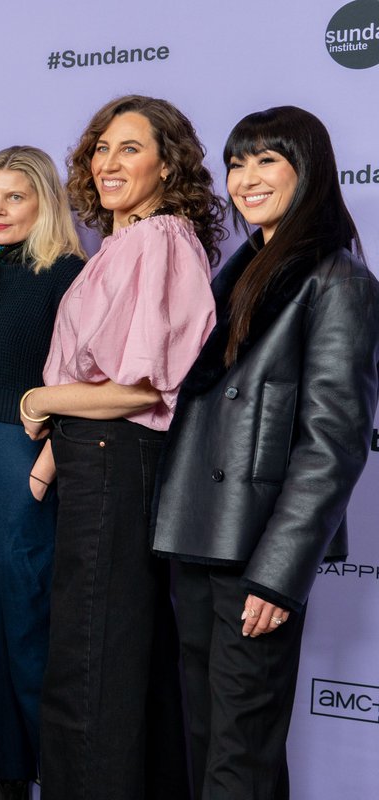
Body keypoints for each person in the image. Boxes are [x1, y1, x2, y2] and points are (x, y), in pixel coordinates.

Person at [153, 106, 379, 800]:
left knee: (238, 752)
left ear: (306, 169)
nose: (245, 179)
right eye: (237, 162)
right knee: (212, 744)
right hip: (197, 536)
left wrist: (279, 576)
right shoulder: (240, 273)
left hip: (254, 553)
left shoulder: (337, 281)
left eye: (266, 160)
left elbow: (333, 443)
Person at [19, 95, 225, 800]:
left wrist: (39, 403)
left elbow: (140, 387)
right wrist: (50, 459)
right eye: (102, 148)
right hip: (95, 461)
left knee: (90, 661)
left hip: (115, 462)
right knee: (101, 656)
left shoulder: (161, 240)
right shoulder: (125, 244)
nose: (109, 162)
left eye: (130, 148)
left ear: (169, 164)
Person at [0, 146, 85, 799]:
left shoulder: (68, 274)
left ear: (44, 203)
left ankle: (61, 779)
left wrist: (42, 469)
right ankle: (9, 778)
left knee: (31, 626)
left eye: (15, 197)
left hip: (19, 462)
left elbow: (85, 380)